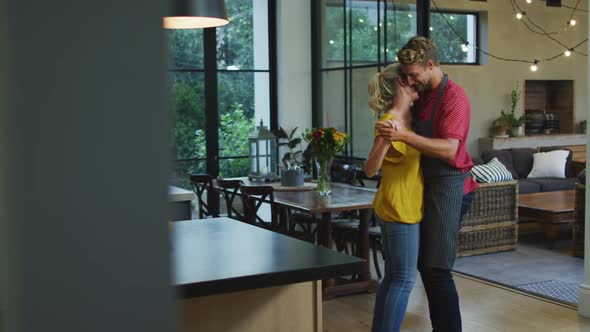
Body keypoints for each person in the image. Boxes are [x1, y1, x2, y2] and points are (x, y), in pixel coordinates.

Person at [375, 36, 479, 332]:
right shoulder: (420, 94)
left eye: (414, 74)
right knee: (413, 269)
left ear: (431, 65)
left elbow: (449, 150)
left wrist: (403, 136)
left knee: (436, 270)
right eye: (404, 75)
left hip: (450, 184)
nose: (409, 80)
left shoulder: (454, 98)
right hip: (422, 184)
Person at [364, 63, 421, 332]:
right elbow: (370, 169)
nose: (415, 84)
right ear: (401, 84)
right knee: (404, 279)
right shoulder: (391, 121)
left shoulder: (410, 118)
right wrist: (387, 140)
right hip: (399, 207)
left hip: (401, 203)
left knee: (393, 277)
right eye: (411, 81)